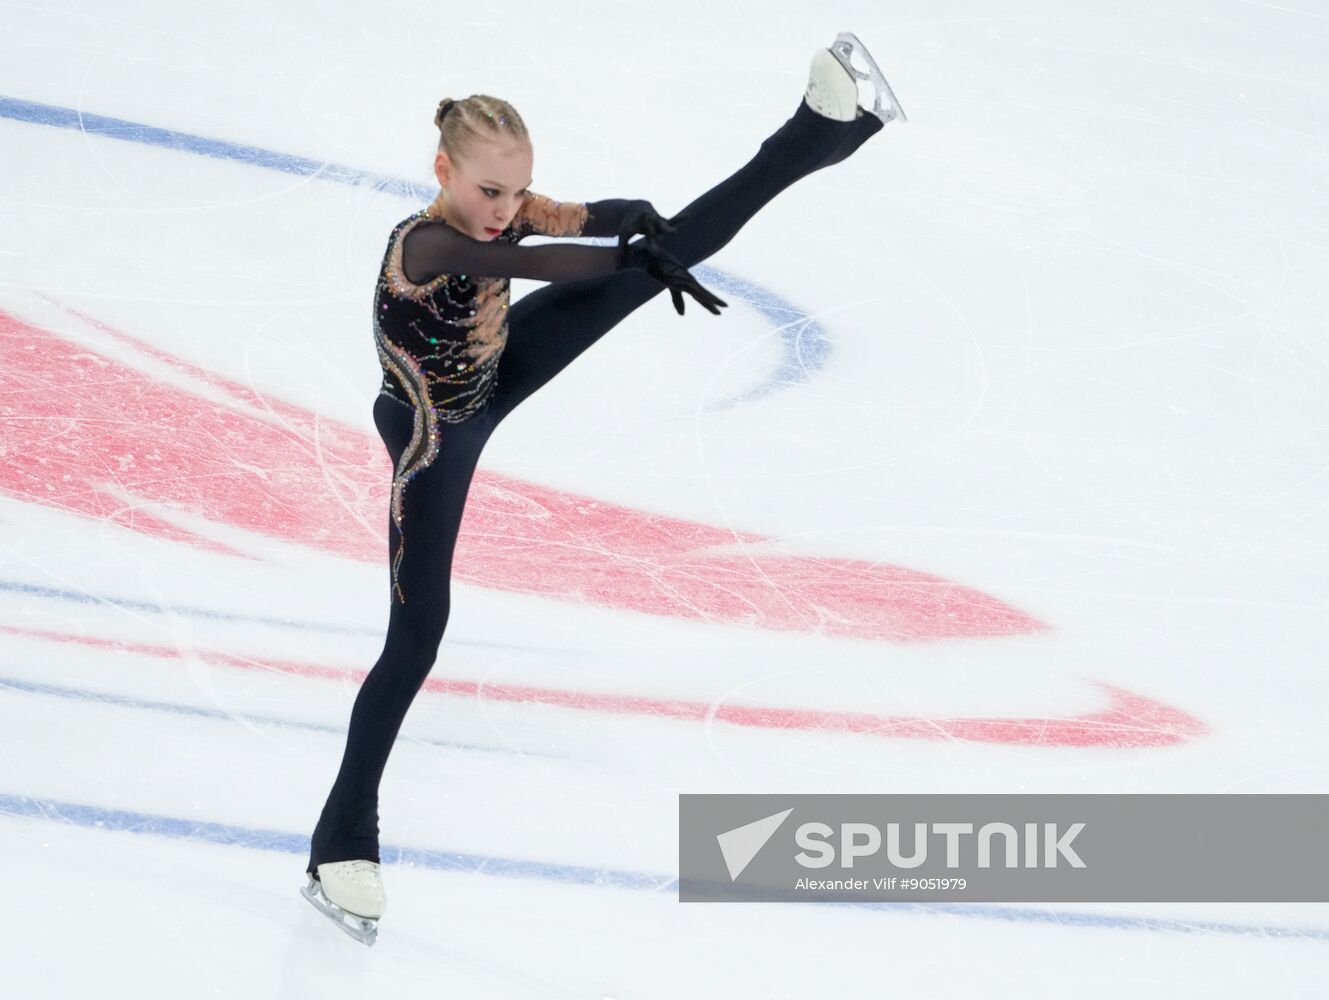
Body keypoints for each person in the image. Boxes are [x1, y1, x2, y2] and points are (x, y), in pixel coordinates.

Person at [301, 33, 902, 945]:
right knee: (417, 635)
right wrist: (631, 258)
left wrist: (640, 225)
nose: (503, 210)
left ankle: (822, 130)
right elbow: (533, 265)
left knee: (674, 241)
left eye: (513, 191)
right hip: (435, 433)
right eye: (486, 191)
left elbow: (579, 219)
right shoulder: (427, 242)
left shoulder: (506, 209)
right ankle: (340, 845)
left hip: (497, 367)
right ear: (442, 169)